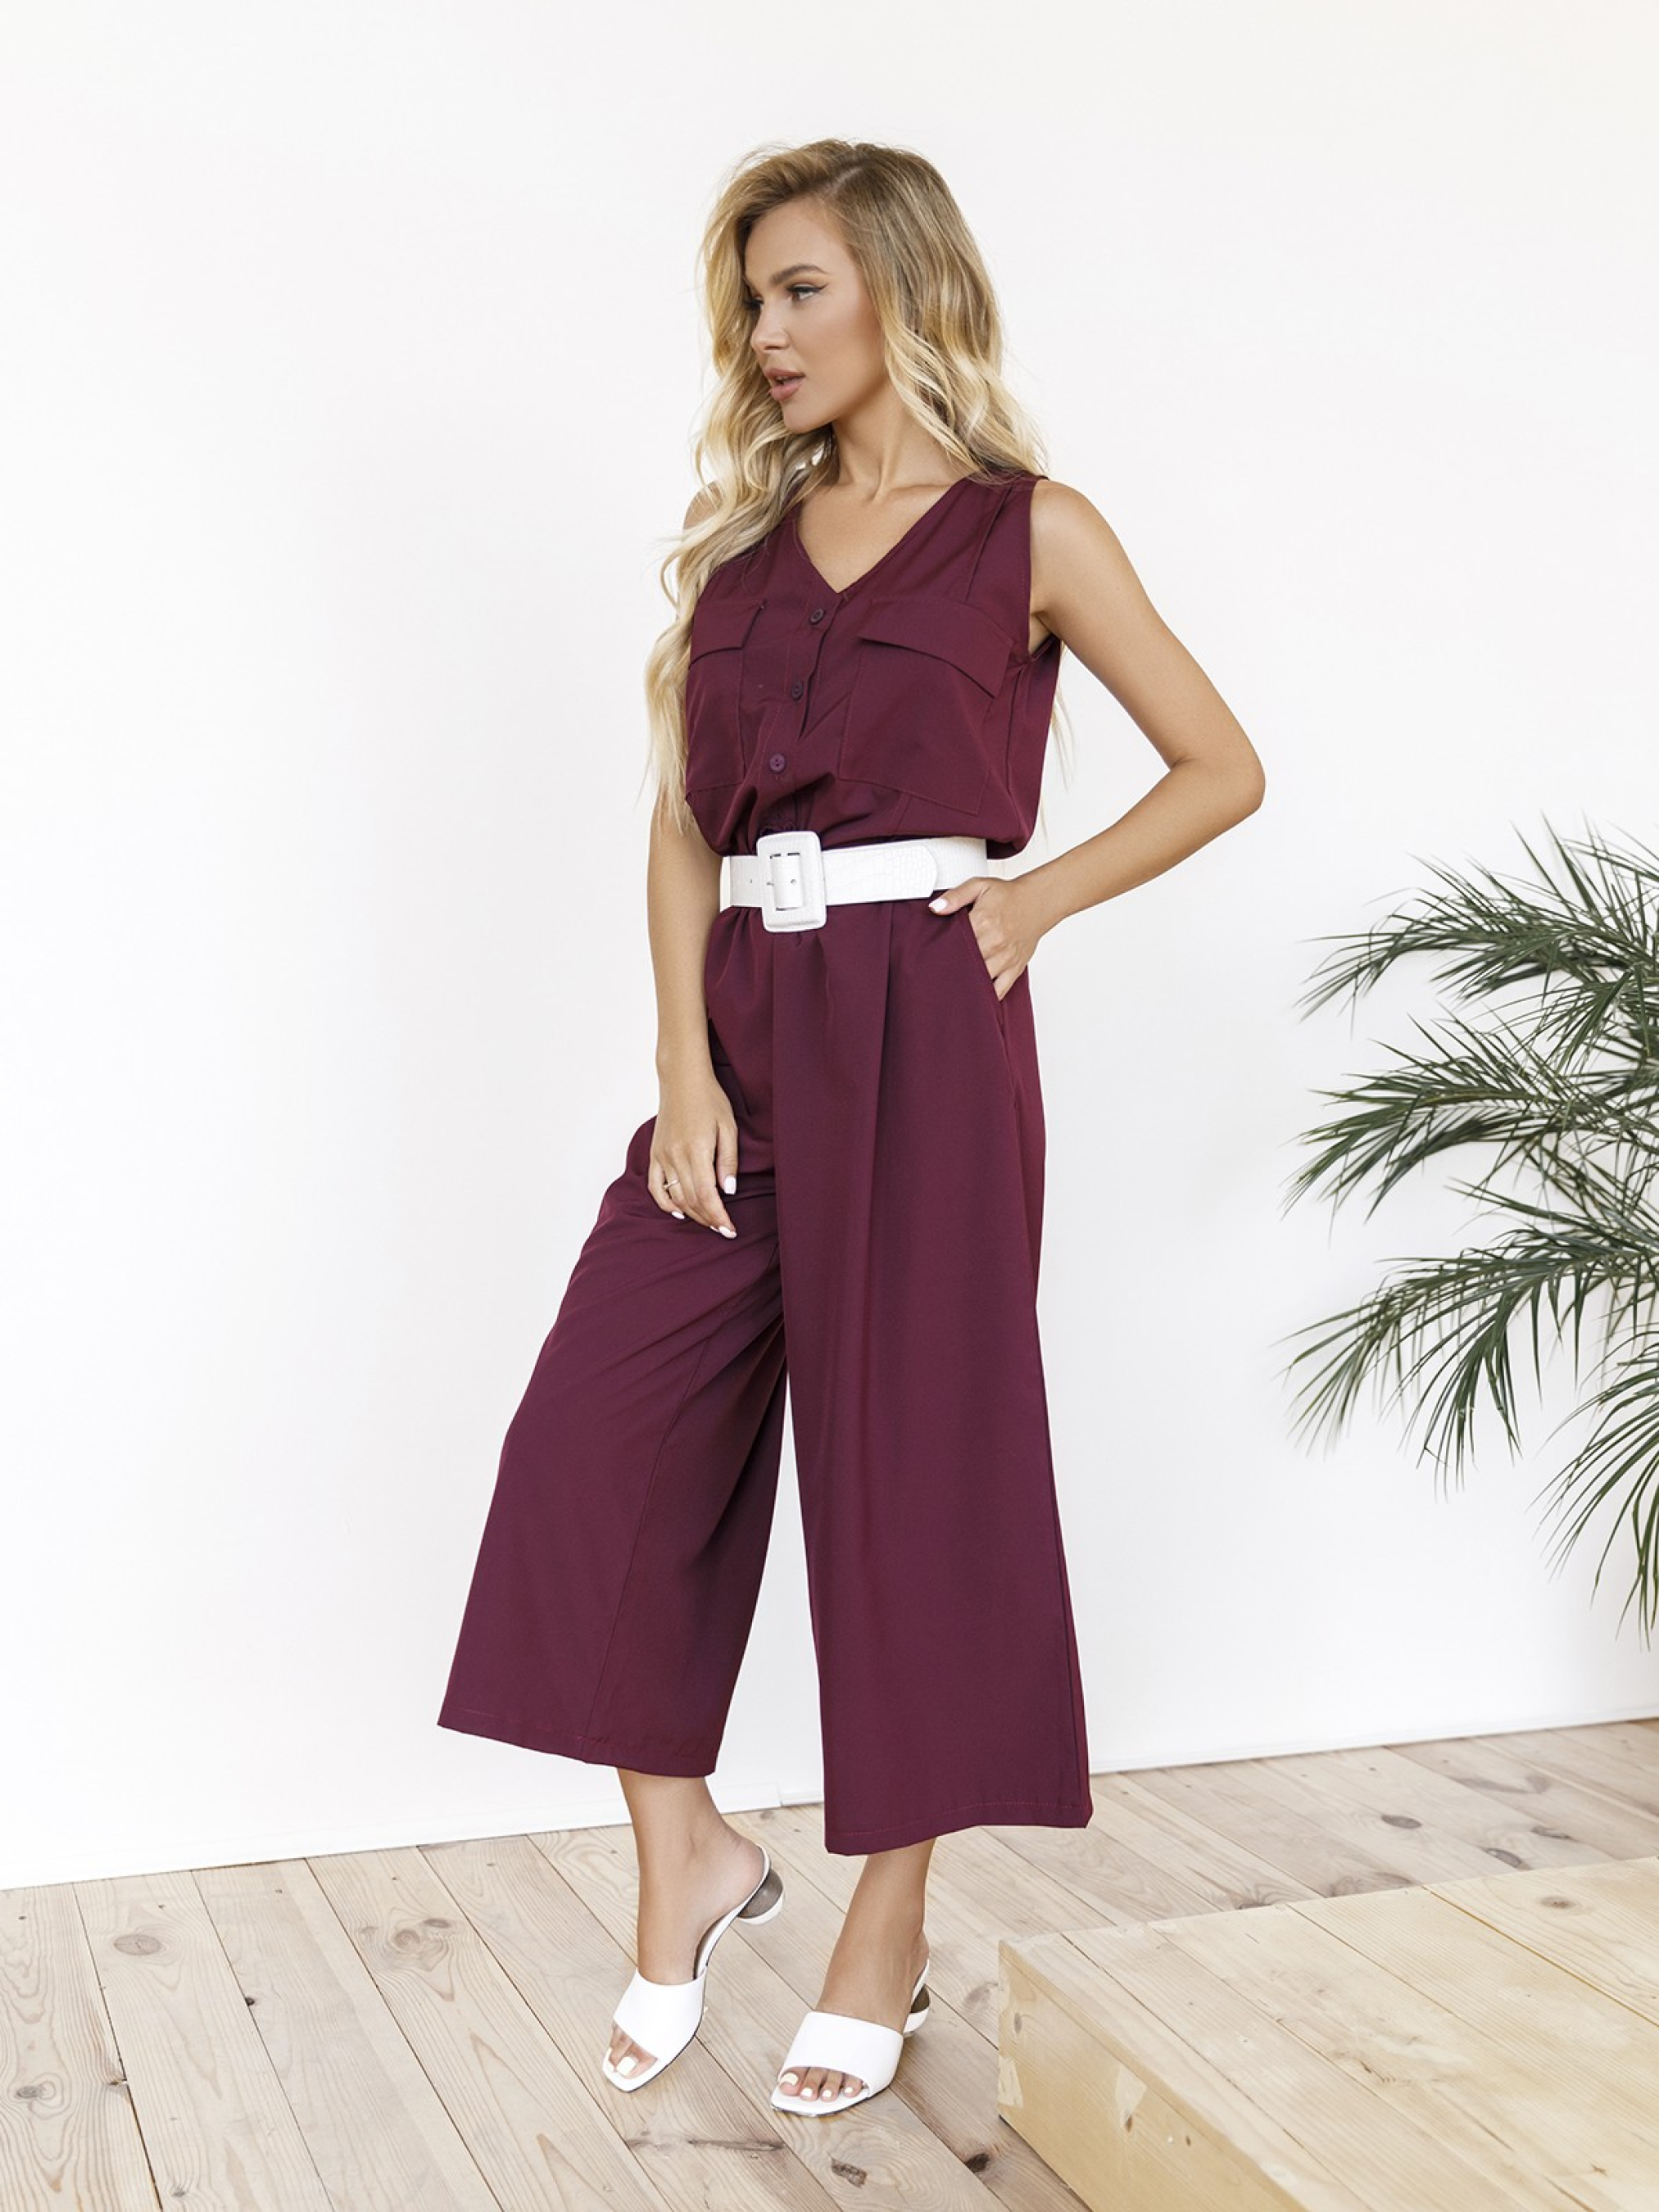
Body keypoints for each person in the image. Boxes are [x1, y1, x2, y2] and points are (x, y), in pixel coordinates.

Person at [437, 136, 1265, 2119]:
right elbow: (679, 825)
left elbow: (1218, 765)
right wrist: (681, 1063)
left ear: (902, 285)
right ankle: (686, 1859)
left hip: (923, 1030)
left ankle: (882, 1927)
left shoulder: (1027, 533)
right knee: (590, 1446)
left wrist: (1034, 902)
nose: (765, 333)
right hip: (741, 1029)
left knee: (914, 1485)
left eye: (798, 289)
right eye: (749, 301)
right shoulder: (737, 559)